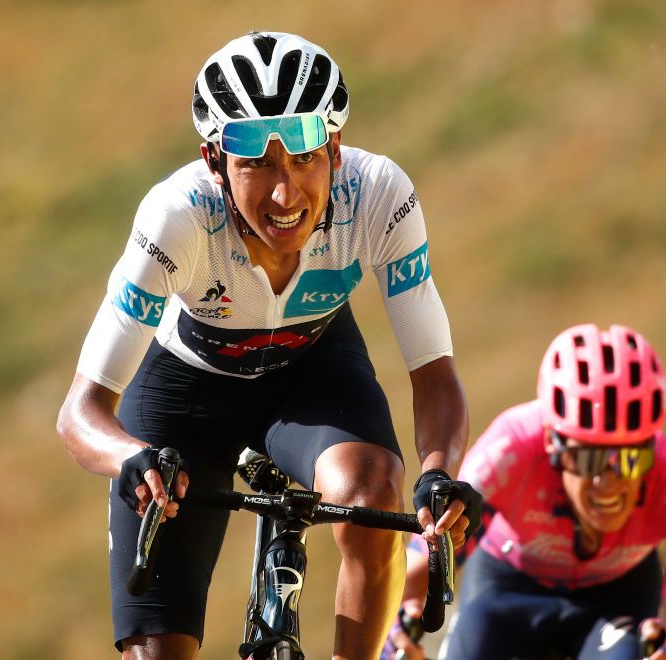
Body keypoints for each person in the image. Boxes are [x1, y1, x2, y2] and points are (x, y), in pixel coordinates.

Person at [56, 31, 481, 659]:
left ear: (335, 149)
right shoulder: (176, 219)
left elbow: (433, 370)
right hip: (185, 388)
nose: (285, 195)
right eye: (256, 163)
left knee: (373, 495)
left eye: (304, 157)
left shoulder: (379, 196)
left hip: (314, 372)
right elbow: (81, 414)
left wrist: (439, 473)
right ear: (214, 162)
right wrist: (131, 459)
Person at [385, 324, 666, 660]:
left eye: (631, 459)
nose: (608, 482)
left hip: (618, 598)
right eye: (588, 458)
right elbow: (432, 548)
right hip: (506, 585)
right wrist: (401, 626)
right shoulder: (512, 448)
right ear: (552, 446)